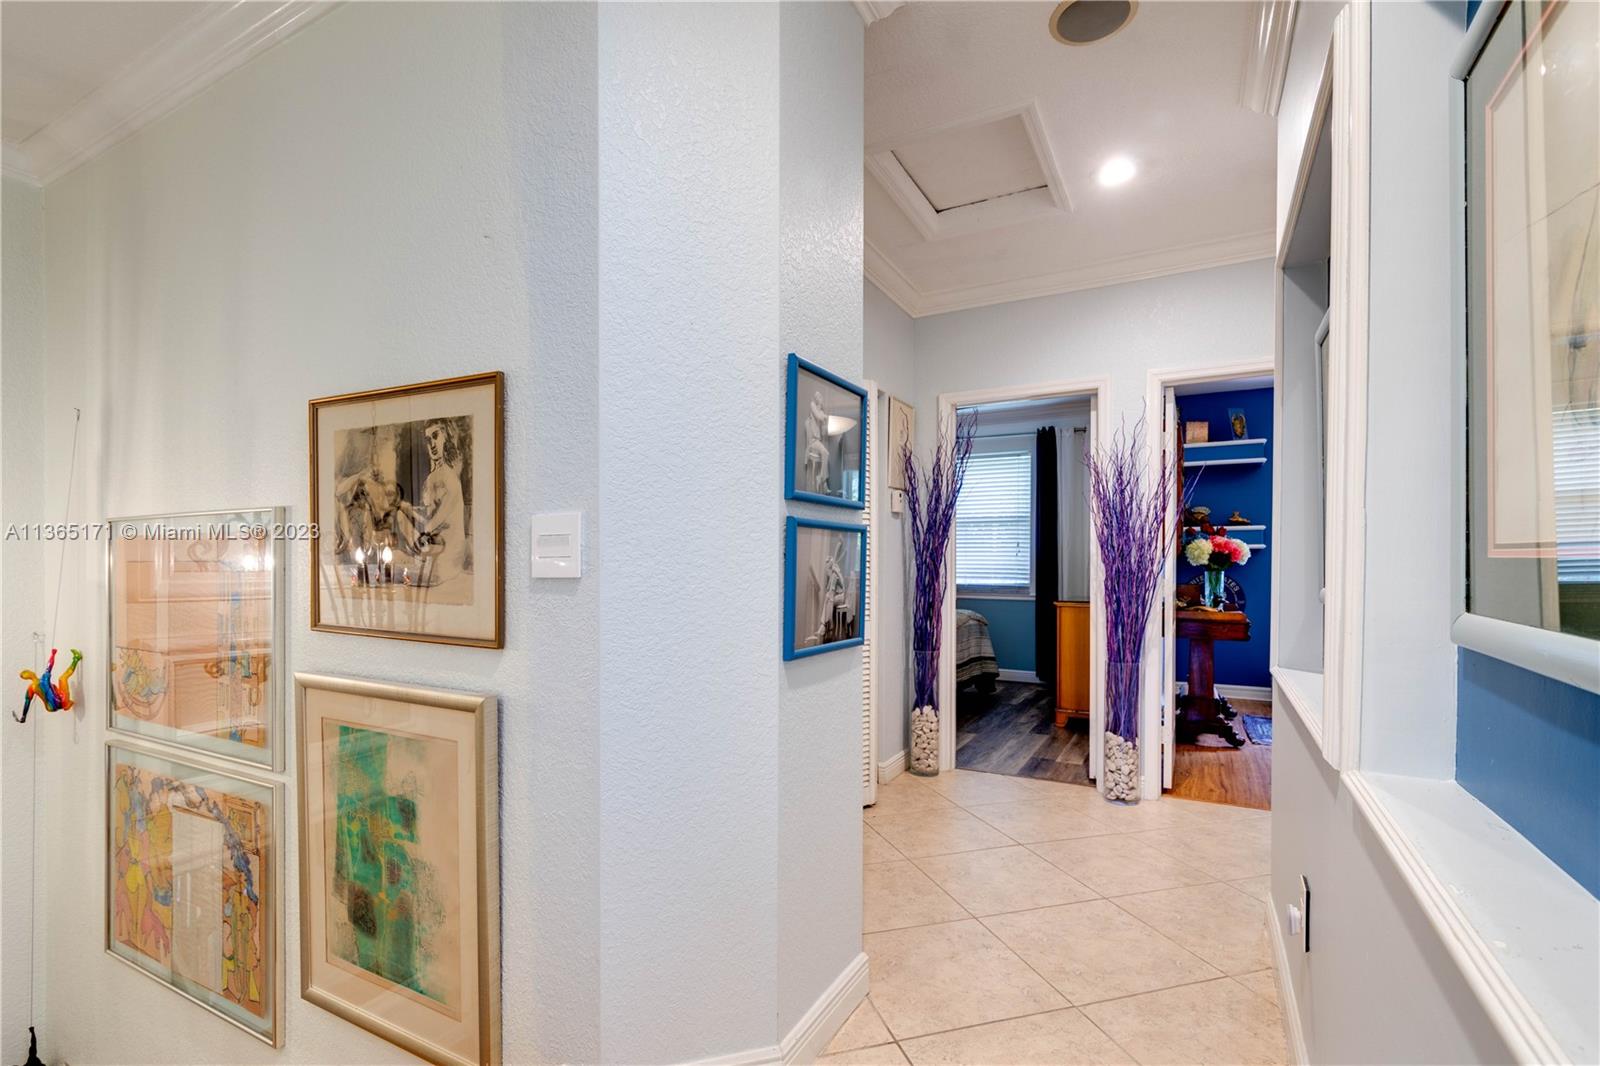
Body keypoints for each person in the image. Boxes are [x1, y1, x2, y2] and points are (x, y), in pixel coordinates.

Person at [804, 391, 831, 494]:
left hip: (817, 440)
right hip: (813, 441)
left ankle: (822, 479)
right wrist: (825, 417)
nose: (820, 399)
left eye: (821, 397)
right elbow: (819, 416)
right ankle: (822, 479)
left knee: (825, 454)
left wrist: (825, 420)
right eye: (819, 397)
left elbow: (823, 427)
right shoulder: (813, 405)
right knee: (825, 453)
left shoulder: (820, 410)